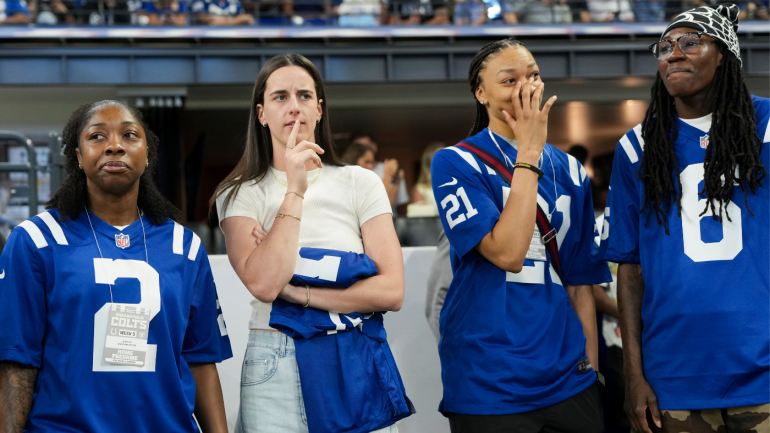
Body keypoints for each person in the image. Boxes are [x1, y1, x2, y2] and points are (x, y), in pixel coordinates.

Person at [0, 100, 232, 433]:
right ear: (78, 157)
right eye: (97, 137)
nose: (114, 146)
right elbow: (16, 363)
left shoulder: (184, 247)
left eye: (129, 135)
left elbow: (200, 361)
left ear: (147, 153)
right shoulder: (36, 240)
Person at [213, 53, 411, 433]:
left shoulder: (360, 182)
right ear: (261, 113)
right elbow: (265, 283)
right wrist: (295, 190)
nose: (294, 107)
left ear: (319, 110)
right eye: (280, 97)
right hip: (277, 354)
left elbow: (392, 290)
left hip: (353, 346)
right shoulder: (240, 193)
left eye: (304, 96)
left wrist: (298, 293)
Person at [601, 5, 770, 433]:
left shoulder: (766, 127)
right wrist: (634, 375)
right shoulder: (637, 146)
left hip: (763, 370)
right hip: (674, 374)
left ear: (724, 53)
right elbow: (630, 271)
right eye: (664, 47)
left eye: (690, 42)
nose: (672, 54)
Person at [430, 38, 611, 433]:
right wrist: (528, 151)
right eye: (509, 80)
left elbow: (580, 284)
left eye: (533, 76)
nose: (526, 87)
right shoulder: (455, 162)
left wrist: (591, 373)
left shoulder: (571, 171)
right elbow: (508, 253)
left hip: (568, 378)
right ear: (481, 93)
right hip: (490, 381)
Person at [349, 132, 408, 212]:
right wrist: (387, 176)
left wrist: (396, 180)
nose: (370, 166)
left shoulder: (386, 168)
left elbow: (390, 204)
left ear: (374, 147)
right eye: (366, 162)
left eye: (371, 162)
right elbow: (378, 204)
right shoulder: (349, 176)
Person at [406, 141, 445, 218]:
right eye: (441, 157)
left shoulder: (457, 184)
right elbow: (419, 222)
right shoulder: (421, 189)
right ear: (429, 163)